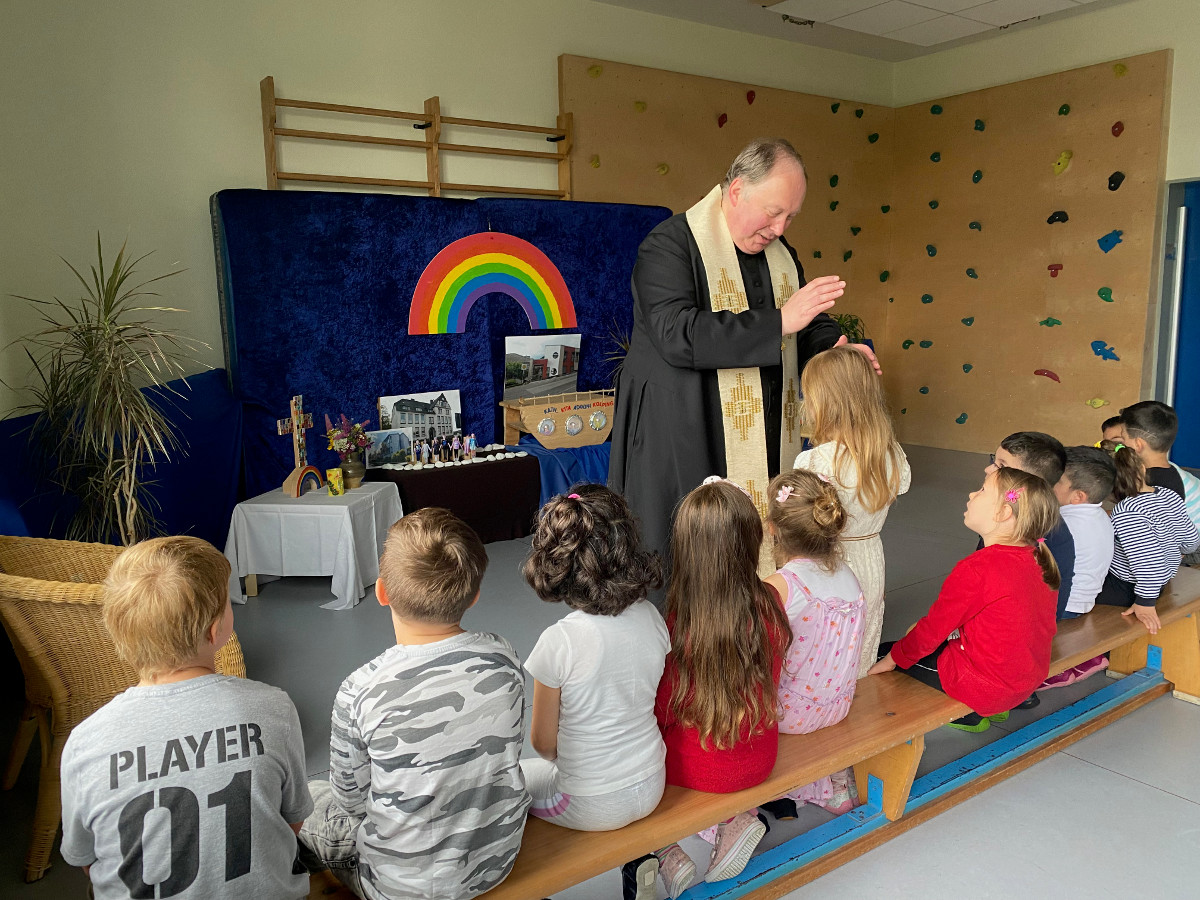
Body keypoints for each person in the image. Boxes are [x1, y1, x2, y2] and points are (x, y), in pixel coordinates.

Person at [611, 138, 880, 568]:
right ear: (736, 191)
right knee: (690, 554)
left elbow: (803, 319)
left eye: (790, 217)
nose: (779, 229)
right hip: (684, 428)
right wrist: (778, 322)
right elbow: (676, 332)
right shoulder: (670, 246)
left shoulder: (780, 255)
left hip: (765, 431)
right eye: (774, 212)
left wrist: (834, 346)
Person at [61, 537, 312, 900]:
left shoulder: (84, 743)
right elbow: (292, 822)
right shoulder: (274, 708)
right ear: (216, 630)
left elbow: (86, 858)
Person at [298, 509, 529, 899]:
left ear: (382, 591)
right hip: (496, 864)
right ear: (474, 595)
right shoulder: (503, 656)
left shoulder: (359, 690)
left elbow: (352, 803)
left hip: (396, 887)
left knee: (310, 797)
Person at [649, 478, 793, 897]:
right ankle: (734, 821)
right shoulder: (771, 600)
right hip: (760, 755)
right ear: (750, 544)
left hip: (692, 768)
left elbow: (663, 709)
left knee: (634, 774)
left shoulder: (678, 621)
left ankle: (667, 854)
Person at [520, 486, 669, 837]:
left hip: (588, 803)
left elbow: (543, 744)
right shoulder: (651, 616)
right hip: (653, 783)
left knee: (515, 780)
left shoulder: (559, 642)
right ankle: (667, 854)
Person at [869, 468, 1060, 732]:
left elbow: (932, 630)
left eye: (982, 490)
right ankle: (997, 710)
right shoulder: (1038, 558)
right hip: (1026, 679)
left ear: (1003, 513)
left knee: (882, 653)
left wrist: (892, 658)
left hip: (985, 686)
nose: (972, 494)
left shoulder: (979, 568)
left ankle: (968, 716)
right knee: (915, 638)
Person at [793, 344, 909, 676]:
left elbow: (803, 521)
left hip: (828, 562)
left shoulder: (814, 460)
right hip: (871, 556)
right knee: (863, 630)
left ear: (825, 403)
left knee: (823, 639)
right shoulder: (891, 454)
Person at [760, 469, 865, 818]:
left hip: (791, 714)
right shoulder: (849, 576)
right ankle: (833, 782)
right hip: (838, 704)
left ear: (772, 528)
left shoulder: (781, 586)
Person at [1094, 441, 1199, 634]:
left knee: (1075, 590)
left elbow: (1149, 565)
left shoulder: (1127, 512)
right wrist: (1179, 551)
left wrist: (1144, 603)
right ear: (1142, 468)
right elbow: (1191, 538)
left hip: (1130, 587)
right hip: (1160, 579)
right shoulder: (1167, 495)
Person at [984, 431, 1075, 644]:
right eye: (993, 460)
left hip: (1009, 641)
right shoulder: (1038, 514)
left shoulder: (1015, 525)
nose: (988, 469)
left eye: (1001, 465)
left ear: (1030, 481)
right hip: (1023, 631)